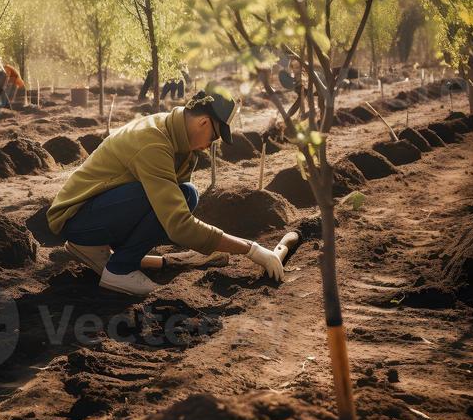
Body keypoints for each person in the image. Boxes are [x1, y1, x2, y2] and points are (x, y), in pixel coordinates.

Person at [47, 88, 295, 296]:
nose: (211, 145)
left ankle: (105, 253)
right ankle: (119, 270)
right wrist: (251, 249)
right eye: (215, 136)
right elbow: (178, 223)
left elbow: (173, 218)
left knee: (186, 193)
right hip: (77, 217)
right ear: (203, 122)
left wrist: (200, 243)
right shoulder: (154, 142)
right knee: (176, 198)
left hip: (99, 211)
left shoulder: (179, 141)